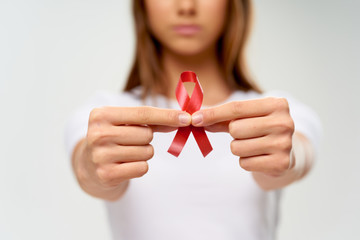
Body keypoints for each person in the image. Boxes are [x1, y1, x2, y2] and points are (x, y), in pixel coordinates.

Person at [64, 0, 321, 239]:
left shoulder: (276, 113)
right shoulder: (104, 116)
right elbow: (87, 170)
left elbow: (299, 154)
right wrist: (92, 164)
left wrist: (288, 157)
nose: (186, 6)